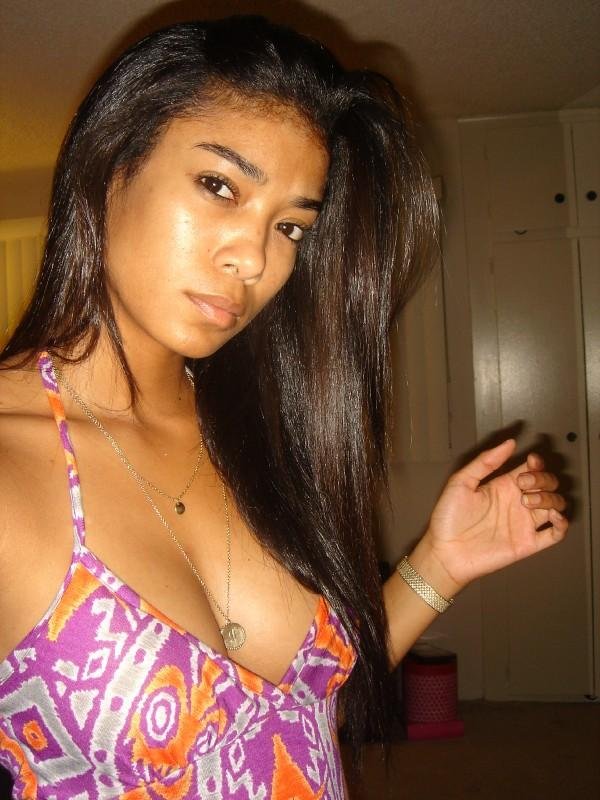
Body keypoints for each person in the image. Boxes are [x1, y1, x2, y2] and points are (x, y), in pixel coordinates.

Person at [0, 15, 567, 799]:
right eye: (220, 187)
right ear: (111, 165)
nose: (256, 257)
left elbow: (297, 710)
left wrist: (440, 564)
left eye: (291, 225)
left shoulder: (258, 430)